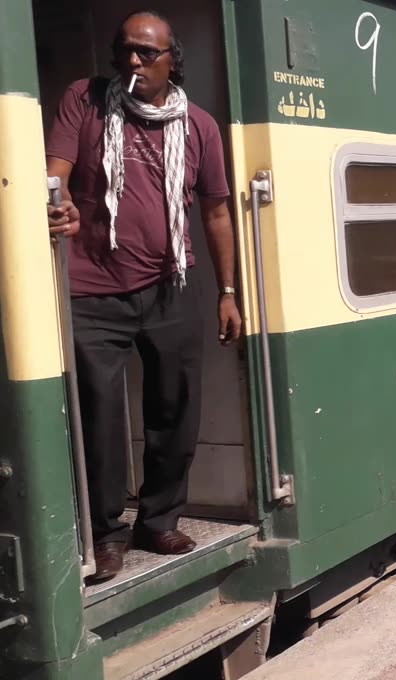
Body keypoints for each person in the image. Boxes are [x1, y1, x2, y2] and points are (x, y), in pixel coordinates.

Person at [45, 11, 242, 582]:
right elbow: (54, 175)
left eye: (146, 53)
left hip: (169, 287)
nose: (133, 61)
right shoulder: (85, 100)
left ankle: (157, 520)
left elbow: (217, 212)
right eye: (125, 50)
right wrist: (59, 202)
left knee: (175, 411)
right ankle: (107, 535)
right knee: (101, 419)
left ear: (171, 61)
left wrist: (227, 292)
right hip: (91, 290)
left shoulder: (199, 125)